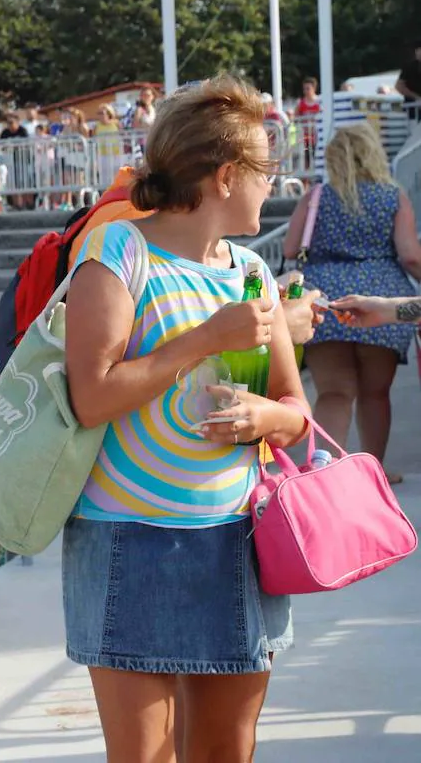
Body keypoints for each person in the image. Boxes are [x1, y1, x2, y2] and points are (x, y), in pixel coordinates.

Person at [64, 76, 308, 762]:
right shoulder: (117, 256)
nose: (274, 185)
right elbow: (93, 396)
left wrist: (265, 415)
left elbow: (297, 413)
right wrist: (206, 338)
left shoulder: (252, 272)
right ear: (227, 176)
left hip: (237, 541)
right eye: (266, 171)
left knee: (225, 752)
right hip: (125, 544)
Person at [284, 125, 421, 485]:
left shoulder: (316, 196)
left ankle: (326, 470)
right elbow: (410, 256)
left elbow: (288, 249)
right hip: (382, 299)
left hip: (326, 300)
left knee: (333, 392)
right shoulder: (392, 196)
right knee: (376, 393)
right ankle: (374, 471)